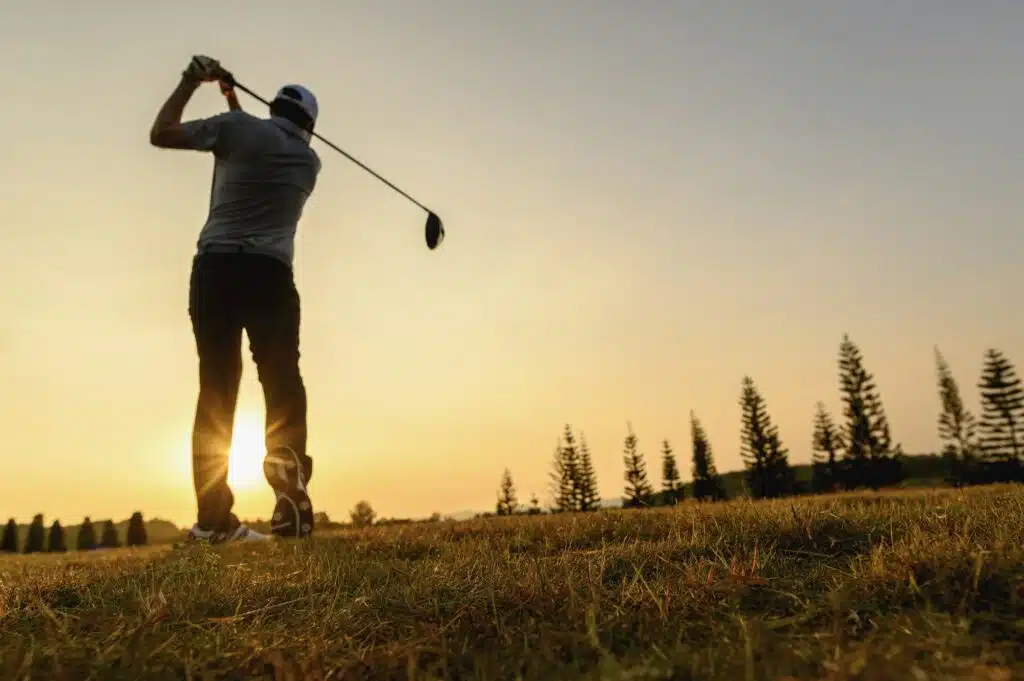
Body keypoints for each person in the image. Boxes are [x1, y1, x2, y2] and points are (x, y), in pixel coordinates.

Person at [149, 55, 321, 542]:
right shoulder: (309, 162)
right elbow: (258, 141)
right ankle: (289, 490)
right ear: (308, 127)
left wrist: (192, 82)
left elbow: (162, 132)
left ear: (274, 110)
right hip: (270, 276)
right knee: (282, 379)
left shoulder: (238, 129)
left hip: (217, 269)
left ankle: (212, 521)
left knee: (217, 389)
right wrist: (230, 99)